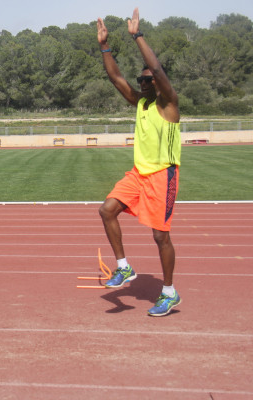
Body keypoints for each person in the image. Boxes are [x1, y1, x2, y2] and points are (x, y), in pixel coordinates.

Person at [97, 8, 182, 317]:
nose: (144, 83)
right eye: (141, 80)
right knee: (107, 210)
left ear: (159, 83)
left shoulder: (169, 104)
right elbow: (116, 78)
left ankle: (169, 292)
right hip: (138, 174)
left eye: (148, 80)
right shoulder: (141, 103)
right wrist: (104, 46)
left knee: (160, 236)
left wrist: (137, 36)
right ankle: (124, 267)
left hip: (162, 175)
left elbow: (156, 68)